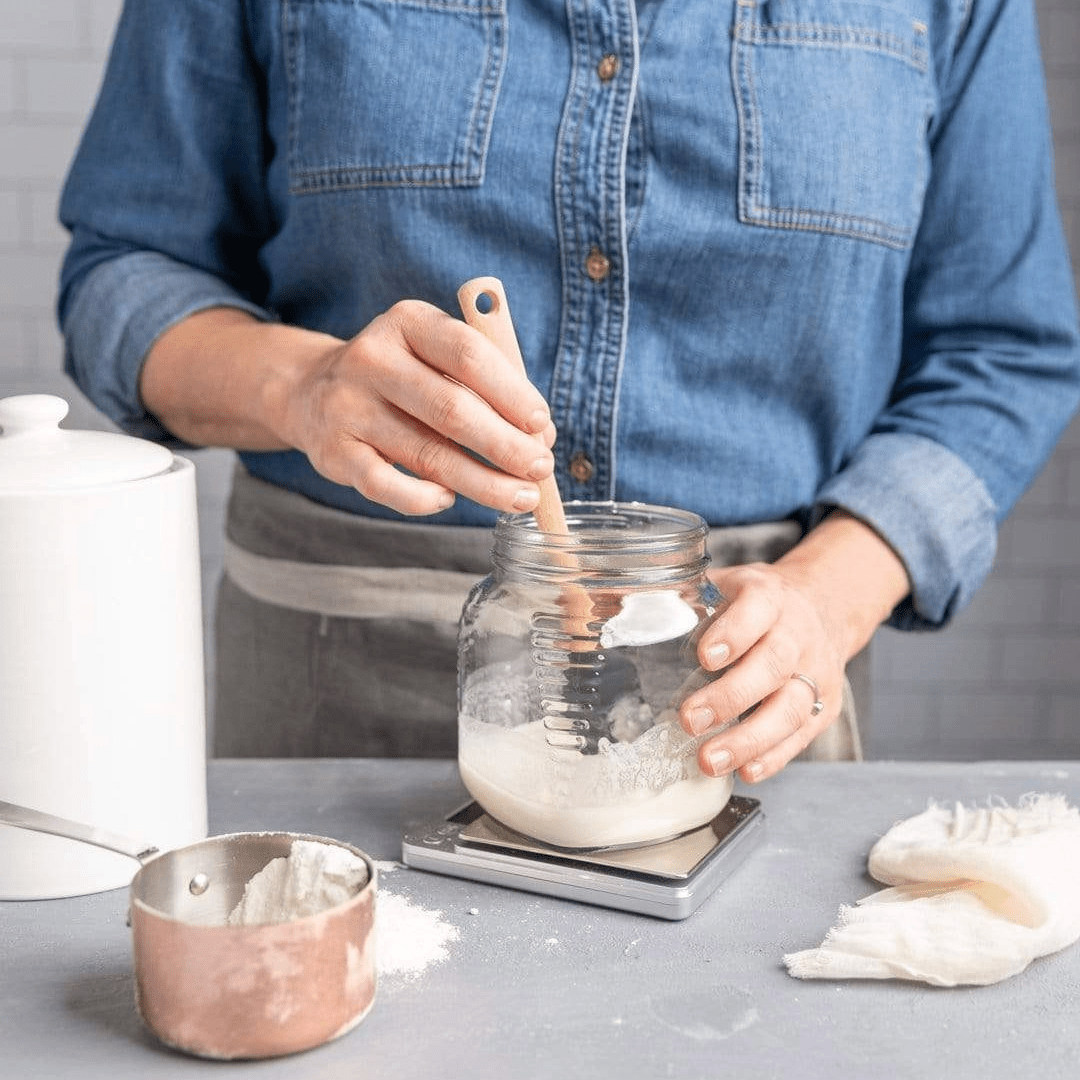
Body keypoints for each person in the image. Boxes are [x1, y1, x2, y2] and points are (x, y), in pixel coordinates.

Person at [58, 0, 1080, 781]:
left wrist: (831, 596)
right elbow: (127, 269)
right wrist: (305, 387)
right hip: (337, 684)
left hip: (742, 691)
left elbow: (1007, 348)